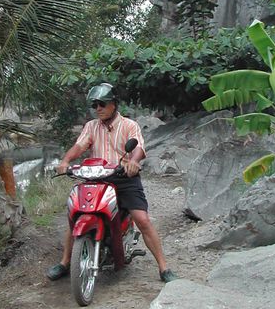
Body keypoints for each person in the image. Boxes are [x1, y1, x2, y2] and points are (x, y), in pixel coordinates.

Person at [46, 83, 177, 283]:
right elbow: (79, 146)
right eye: (95, 104)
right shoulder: (91, 126)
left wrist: (133, 162)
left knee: (142, 219)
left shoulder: (129, 125)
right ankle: (65, 262)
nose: (98, 108)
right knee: (76, 214)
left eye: (102, 103)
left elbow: (138, 147)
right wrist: (65, 161)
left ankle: (163, 267)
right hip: (96, 177)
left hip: (123, 177)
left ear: (114, 104)